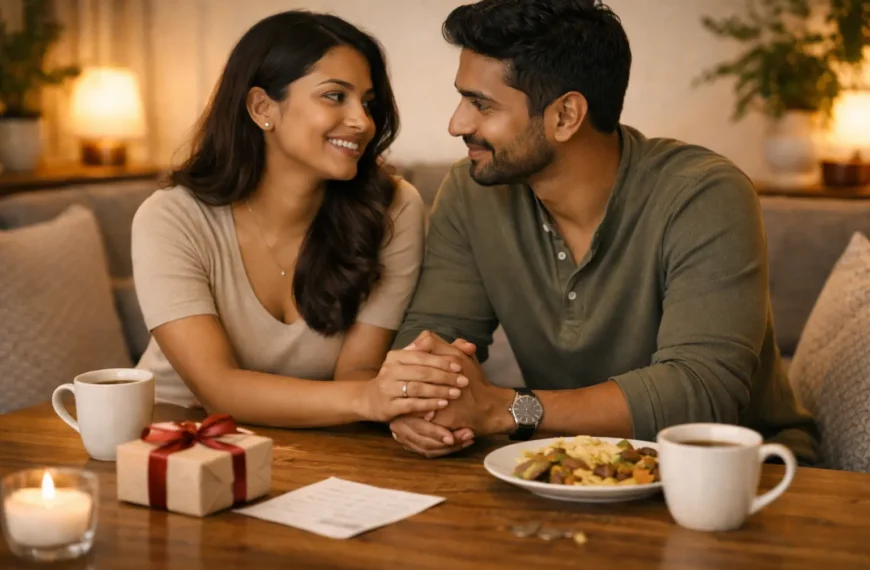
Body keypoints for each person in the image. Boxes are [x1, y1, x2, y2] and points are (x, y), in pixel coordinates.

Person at [387, 0, 817, 464]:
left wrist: (506, 409)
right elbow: (431, 338)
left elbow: (701, 391)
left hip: (739, 475)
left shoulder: (704, 194)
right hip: (559, 467)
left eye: (481, 104)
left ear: (565, 115)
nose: (457, 124)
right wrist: (418, 401)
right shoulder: (473, 191)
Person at [131, 10, 471, 428]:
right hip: (178, 434)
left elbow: (359, 372)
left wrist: (410, 405)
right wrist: (372, 399)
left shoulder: (393, 209)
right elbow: (217, 390)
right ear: (262, 107)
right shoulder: (171, 217)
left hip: (321, 441)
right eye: (335, 96)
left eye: (368, 103)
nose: (362, 122)